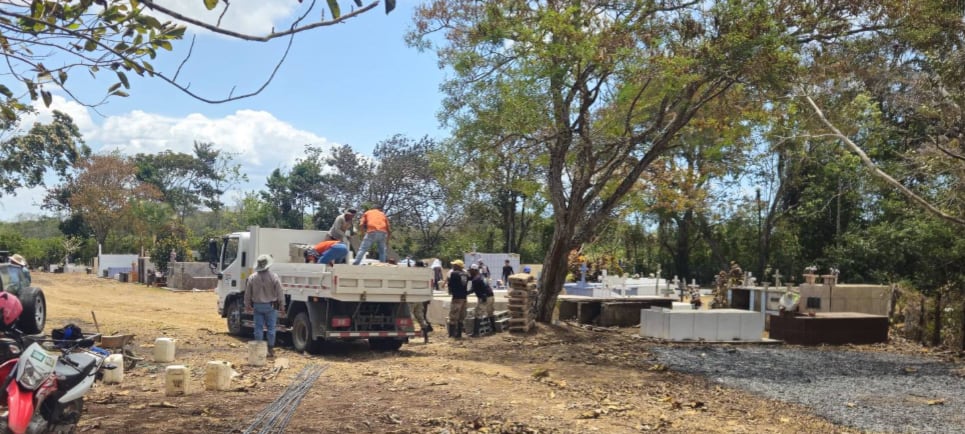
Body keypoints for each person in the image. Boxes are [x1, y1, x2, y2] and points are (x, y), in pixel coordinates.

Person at [244, 254, 286, 357]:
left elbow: (247, 293)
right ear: (268, 265)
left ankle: (259, 349)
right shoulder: (274, 276)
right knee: (271, 328)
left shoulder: (252, 277)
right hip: (271, 306)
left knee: (258, 328)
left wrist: (247, 305)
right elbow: (280, 292)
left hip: (258, 305)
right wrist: (282, 305)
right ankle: (271, 349)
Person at [467, 265, 495, 337]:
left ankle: (476, 333)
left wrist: (465, 293)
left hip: (484, 298)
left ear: (474, 270)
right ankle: (494, 329)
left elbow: (472, 290)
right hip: (491, 296)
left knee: (478, 313)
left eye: (470, 270)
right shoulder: (481, 276)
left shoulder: (476, 279)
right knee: (490, 312)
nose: (469, 272)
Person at [410, 260, 432, 342]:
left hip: (411, 298)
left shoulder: (413, 273)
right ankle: (426, 338)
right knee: (421, 318)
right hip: (420, 298)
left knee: (409, 317)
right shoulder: (425, 274)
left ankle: (407, 337)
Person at [446, 259, 469, 338]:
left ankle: (451, 334)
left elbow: (450, 285)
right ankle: (459, 334)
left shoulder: (454, 274)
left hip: (456, 297)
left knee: (453, 316)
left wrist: (450, 291)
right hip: (464, 297)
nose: (453, 266)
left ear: (457, 266)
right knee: (461, 316)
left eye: (454, 265)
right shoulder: (466, 274)